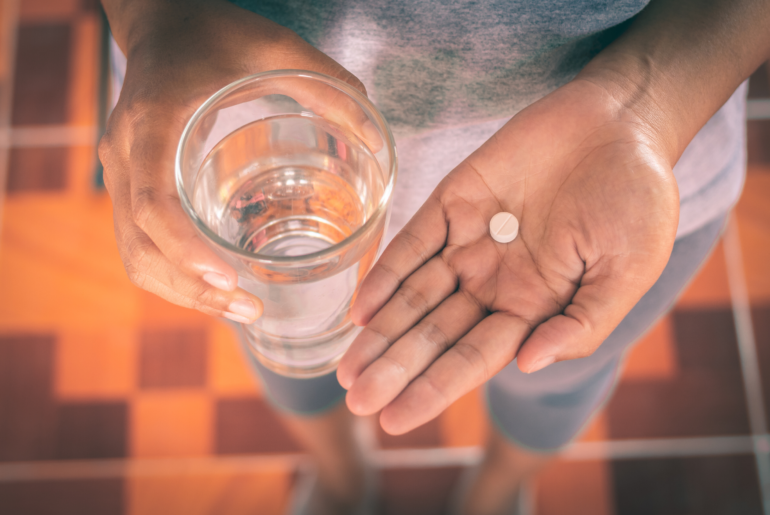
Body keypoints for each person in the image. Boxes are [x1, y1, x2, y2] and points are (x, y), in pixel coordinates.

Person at [98, 0, 770, 513]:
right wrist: (156, 17)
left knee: (552, 373)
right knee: (289, 345)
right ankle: (342, 482)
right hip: (252, 152)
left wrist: (645, 108)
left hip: (598, 184)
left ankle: (495, 494)